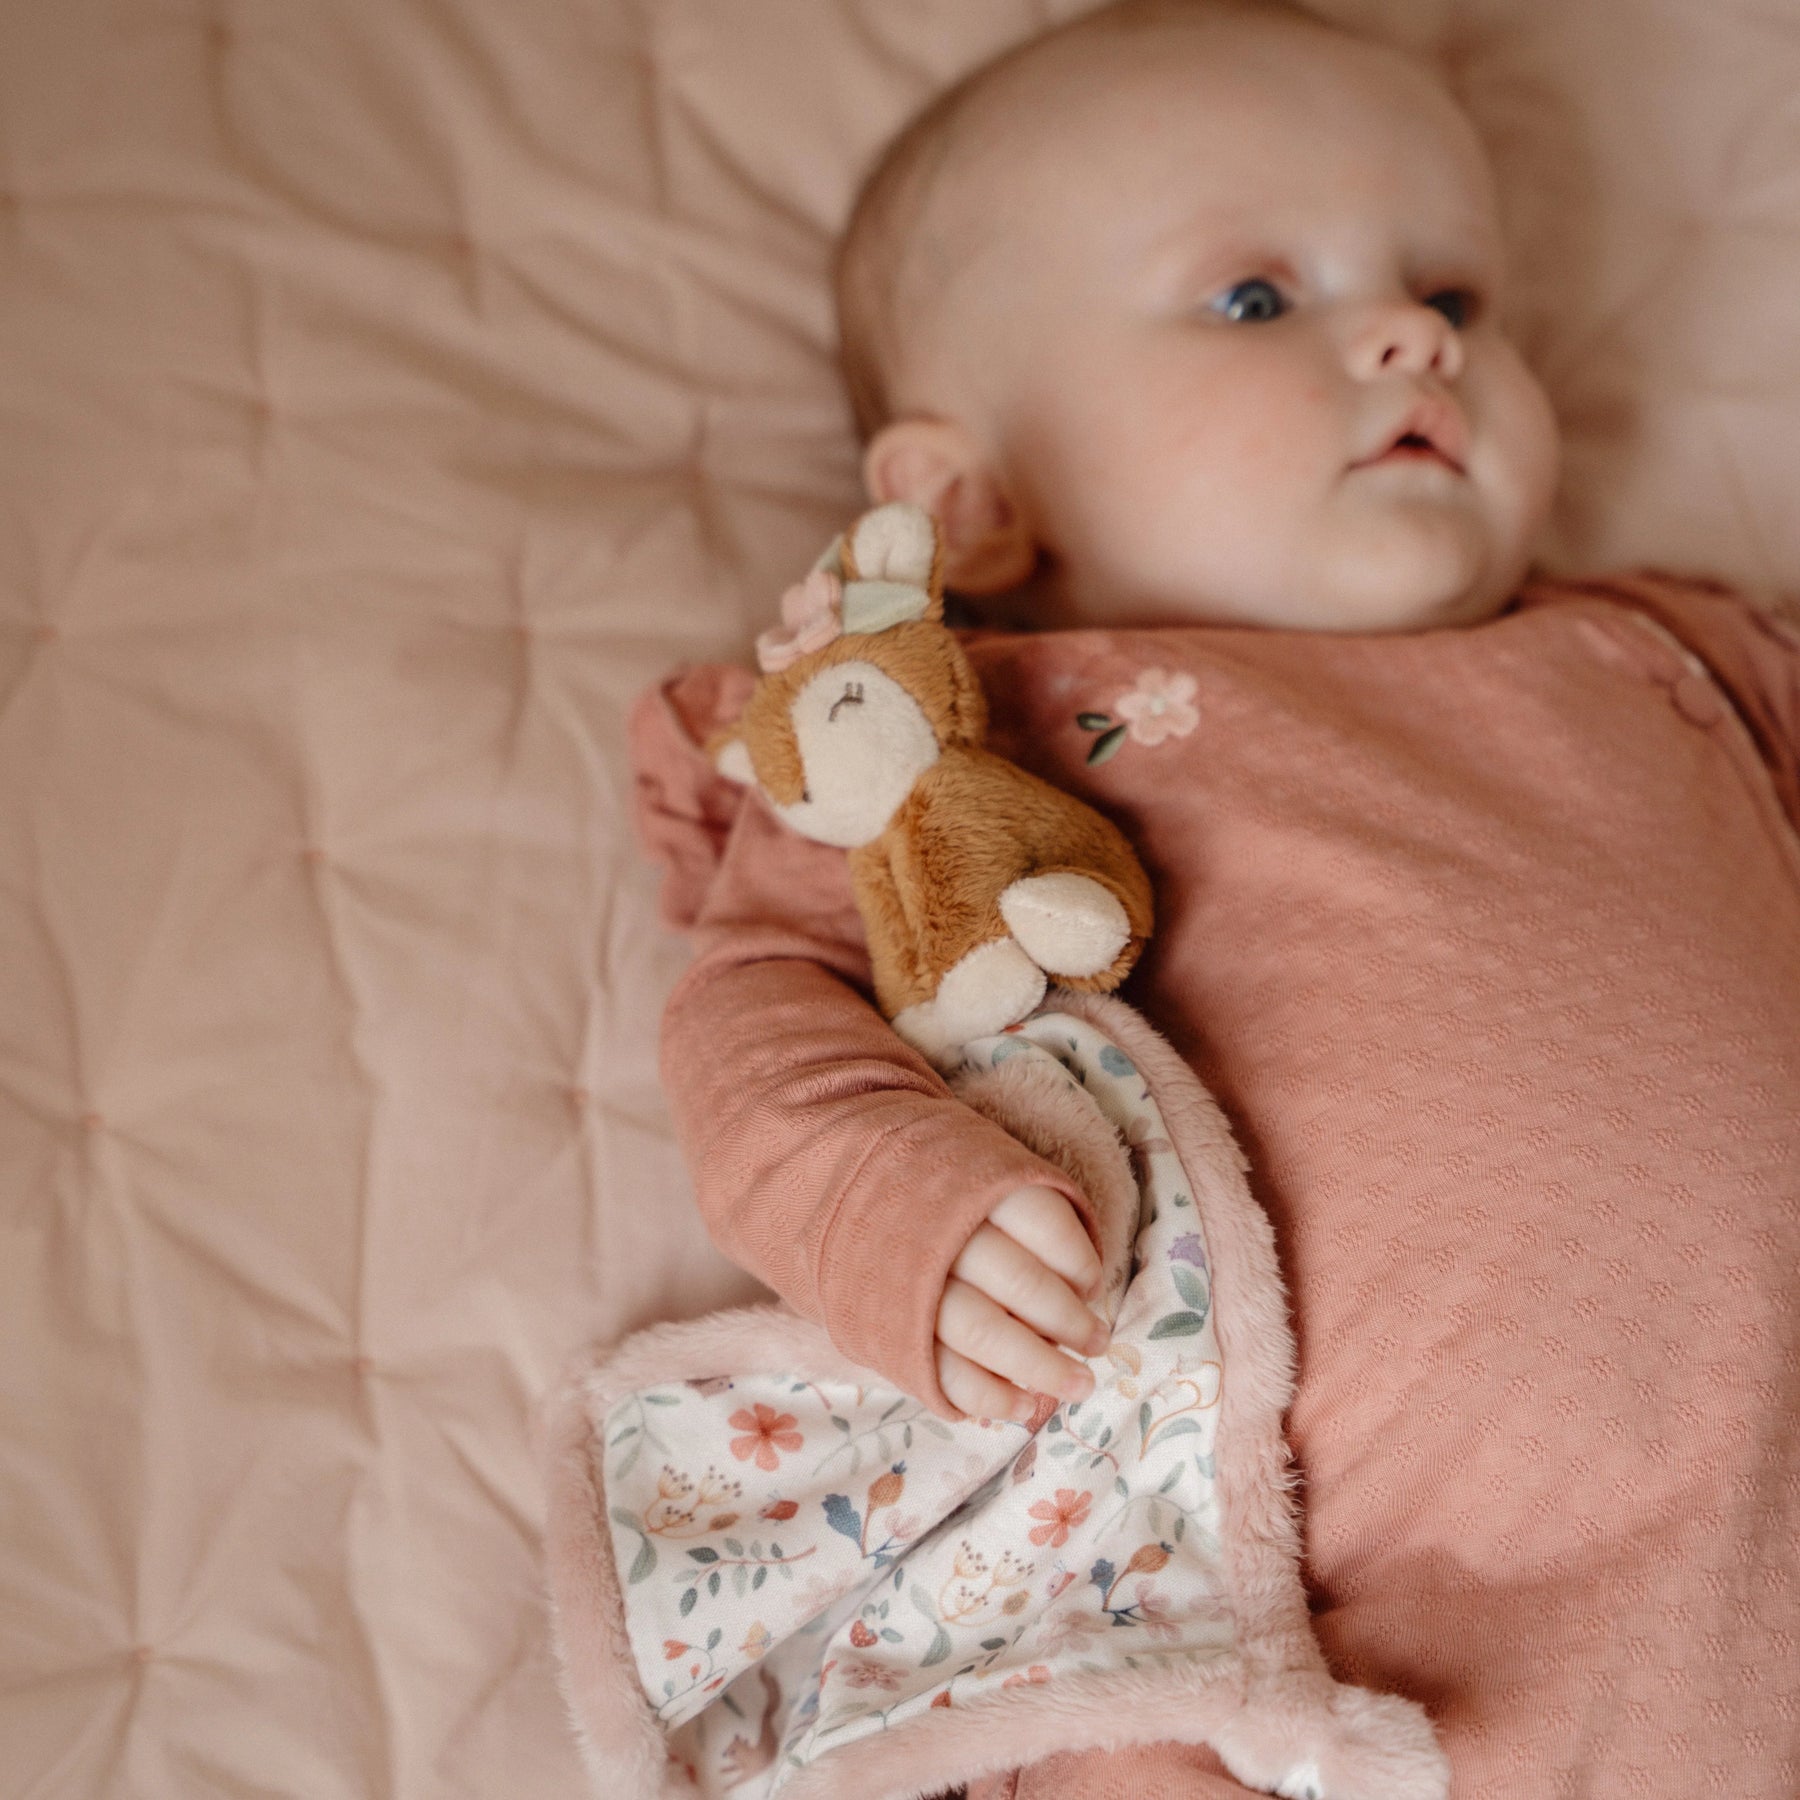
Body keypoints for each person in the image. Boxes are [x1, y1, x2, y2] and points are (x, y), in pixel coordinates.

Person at [629, 2, 1800, 1792]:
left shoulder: (1675, 661)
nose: (1416, 334)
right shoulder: (940, 738)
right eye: (1257, 298)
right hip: (1267, 1632)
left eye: (1454, 293)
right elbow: (756, 1010)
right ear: (970, 502)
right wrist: (891, 1208)